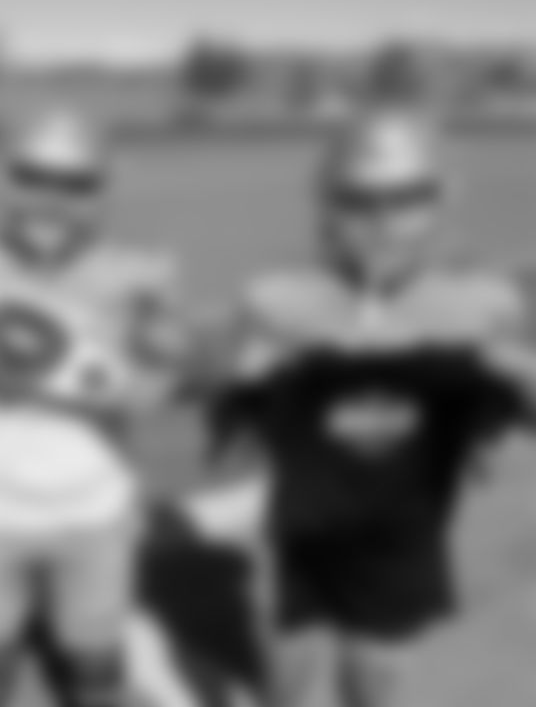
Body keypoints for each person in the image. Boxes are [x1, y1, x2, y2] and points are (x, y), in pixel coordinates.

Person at [204, 104, 536, 707]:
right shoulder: (275, 301)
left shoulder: (481, 306)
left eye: (407, 199)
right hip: (301, 537)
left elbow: (507, 419)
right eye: (359, 201)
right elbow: (227, 422)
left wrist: (509, 380)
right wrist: (233, 380)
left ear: (443, 198)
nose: (383, 223)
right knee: (290, 681)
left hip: (400, 543)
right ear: (327, 205)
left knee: (377, 680)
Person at [0, 106, 194, 707]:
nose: (51, 201)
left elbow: (168, 386)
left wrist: (158, 363)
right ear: (1, 179)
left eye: (75, 184)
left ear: (101, 191)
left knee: (96, 667)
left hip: (94, 511)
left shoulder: (138, 278)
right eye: (33, 177)